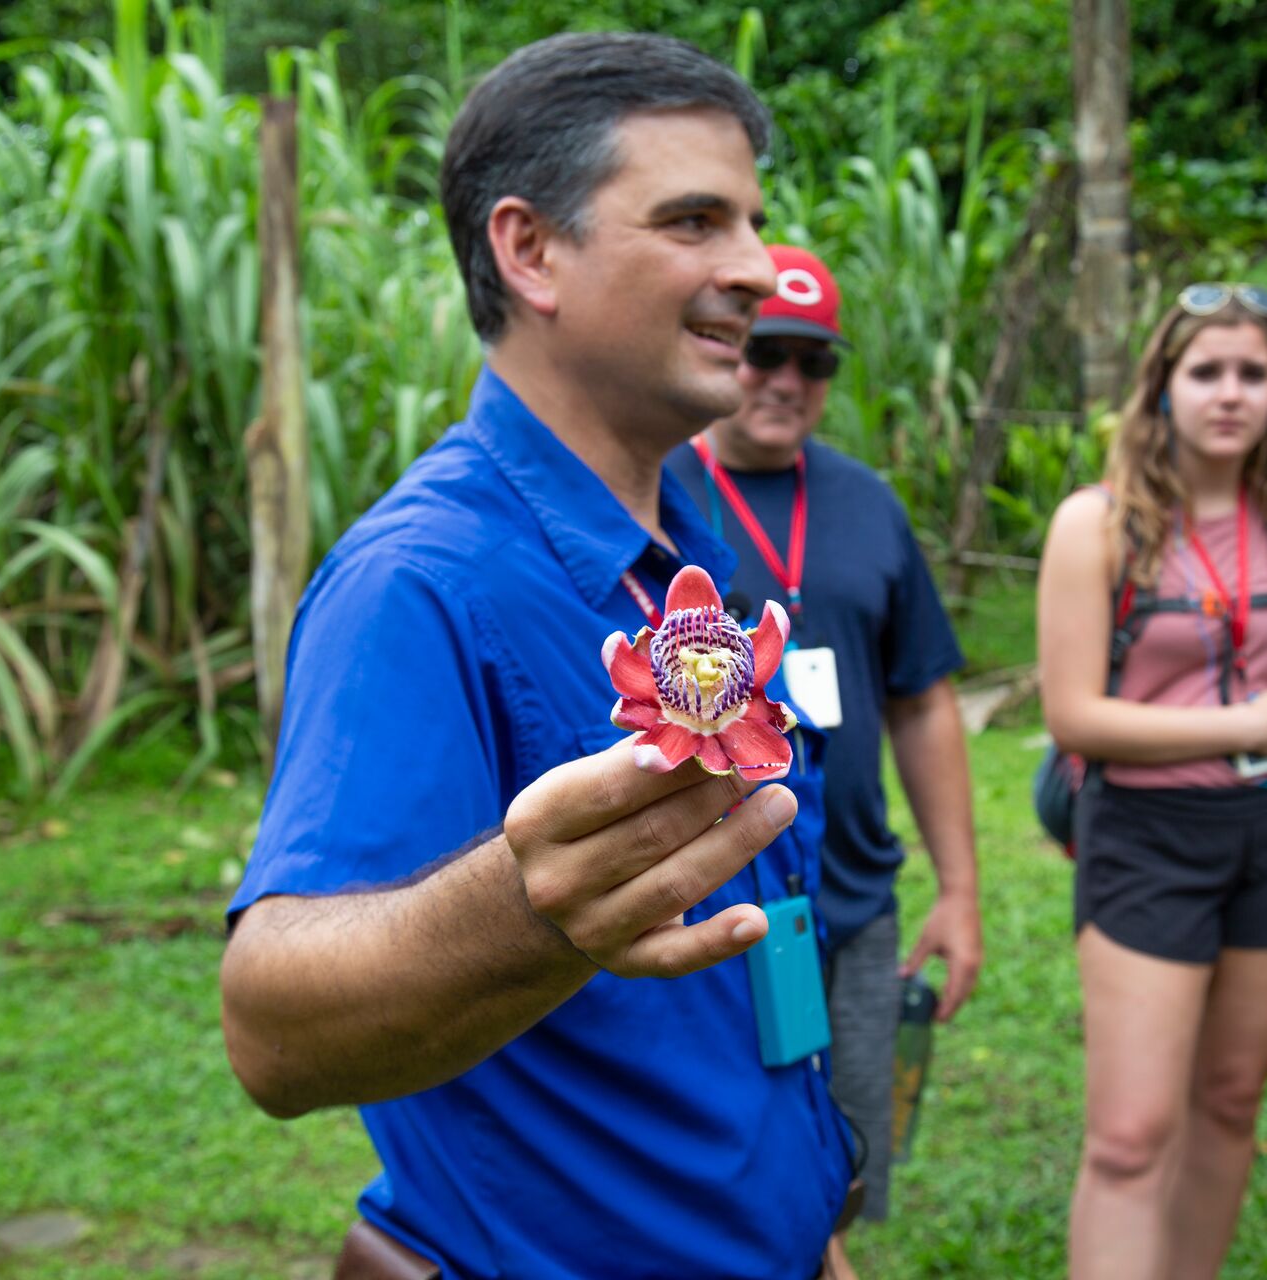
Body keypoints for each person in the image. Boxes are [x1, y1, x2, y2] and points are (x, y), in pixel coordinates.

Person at [217, 34, 855, 1280]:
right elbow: (270, 1030)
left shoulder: (691, 541)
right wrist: (528, 903)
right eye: (693, 220)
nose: (759, 270)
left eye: (754, 222)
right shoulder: (421, 577)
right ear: (529, 250)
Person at [1036, 283, 1267, 1280]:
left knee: (1230, 1102)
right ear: (1161, 387)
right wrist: (1243, 721)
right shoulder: (1100, 524)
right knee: (1128, 1133)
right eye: (1207, 371)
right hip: (1147, 834)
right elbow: (1074, 716)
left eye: (1254, 373)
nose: (1231, 393)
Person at [665, 244, 982, 1229]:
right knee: (724, 1175)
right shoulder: (660, 494)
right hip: (715, 907)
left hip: (854, 898)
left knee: (846, 1164)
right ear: (726, 349)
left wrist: (961, 887)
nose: (788, 381)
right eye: (767, 352)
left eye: (816, 361)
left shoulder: (865, 503)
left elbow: (922, 698)